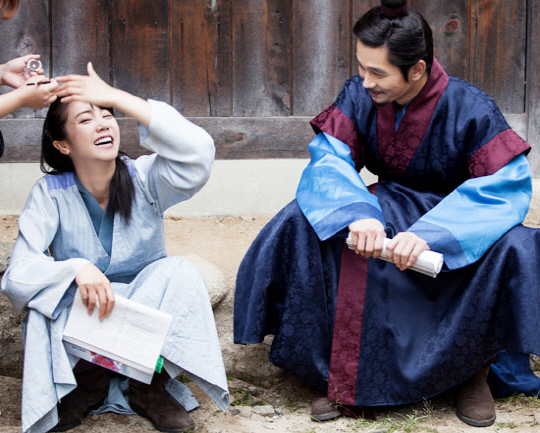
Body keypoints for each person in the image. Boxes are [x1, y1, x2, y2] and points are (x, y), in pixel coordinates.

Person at [234, 0, 540, 428]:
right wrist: (358, 213)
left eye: (377, 72)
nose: (365, 81)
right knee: (302, 219)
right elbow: (330, 159)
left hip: (458, 219)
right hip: (384, 206)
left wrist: (435, 234)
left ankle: (475, 373)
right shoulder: (359, 95)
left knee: (519, 245)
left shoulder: (471, 107)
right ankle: (338, 375)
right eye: (361, 67)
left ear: (417, 70)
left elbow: (505, 187)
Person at [1, 62, 229, 433]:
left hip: (143, 307)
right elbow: (20, 273)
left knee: (182, 273)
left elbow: (198, 151)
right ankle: (87, 385)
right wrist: (75, 269)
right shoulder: (50, 193)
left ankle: (147, 387)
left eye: (108, 115)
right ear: (62, 144)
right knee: (43, 299)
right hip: (85, 312)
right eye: (86, 119)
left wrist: (118, 97)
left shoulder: (146, 177)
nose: (104, 124)